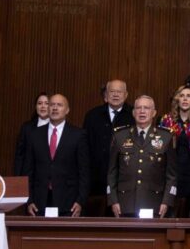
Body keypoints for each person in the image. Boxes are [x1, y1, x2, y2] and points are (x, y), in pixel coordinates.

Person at [107, 95, 176, 217]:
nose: (142, 111)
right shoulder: (120, 136)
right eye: (138, 108)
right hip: (125, 204)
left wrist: (167, 201)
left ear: (154, 113)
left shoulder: (166, 137)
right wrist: (113, 200)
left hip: (154, 203)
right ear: (133, 113)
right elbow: (112, 172)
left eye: (146, 108)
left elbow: (171, 175)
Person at [23, 94, 90, 217]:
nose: (55, 108)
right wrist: (29, 200)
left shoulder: (78, 135)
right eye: (52, 104)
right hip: (39, 201)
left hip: (68, 201)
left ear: (67, 110)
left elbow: (84, 171)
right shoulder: (34, 135)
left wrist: (80, 201)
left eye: (59, 105)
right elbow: (28, 170)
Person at [82, 79, 134, 214]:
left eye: (119, 92)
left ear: (126, 95)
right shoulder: (92, 116)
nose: (115, 95)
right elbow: (85, 149)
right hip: (96, 181)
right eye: (112, 91)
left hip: (124, 182)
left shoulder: (133, 115)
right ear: (106, 94)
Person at [158, 85, 190, 218]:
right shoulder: (166, 120)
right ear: (177, 99)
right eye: (182, 96)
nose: (185, 99)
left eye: (189, 96)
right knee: (170, 211)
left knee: (189, 213)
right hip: (171, 171)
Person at [14, 92, 50, 175]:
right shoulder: (27, 128)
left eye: (46, 103)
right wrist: (18, 176)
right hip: (29, 175)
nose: (43, 106)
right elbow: (20, 155)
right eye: (39, 103)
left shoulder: (56, 128)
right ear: (36, 106)